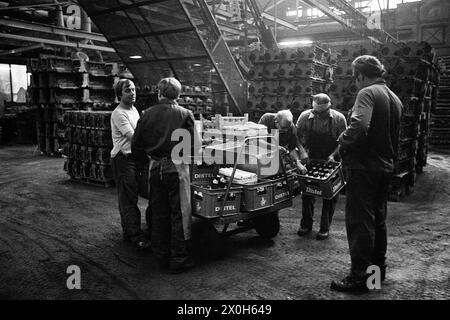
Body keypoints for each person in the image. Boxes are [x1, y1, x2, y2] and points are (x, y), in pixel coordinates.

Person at [331, 55, 403, 293]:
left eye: (356, 77)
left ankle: (360, 277)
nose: (356, 81)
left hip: (364, 168)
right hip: (384, 167)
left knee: (360, 222)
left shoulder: (367, 93)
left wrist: (343, 141)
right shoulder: (394, 98)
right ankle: (376, 274)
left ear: (360, 75)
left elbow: (361, 125)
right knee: (378, 221)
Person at [132, 77, 201, 274]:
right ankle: (179, 258)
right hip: (177, 168)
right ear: (178, 95)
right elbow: (195, 147)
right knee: (178, 213)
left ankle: (160, 256)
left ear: (159, 93)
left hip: (155, 168)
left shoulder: (146, 114)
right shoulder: (185, 114)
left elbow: (136, 144)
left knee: (159, 212)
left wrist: (148, 160)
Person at [295, 93, 347, 240]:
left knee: (329, 194)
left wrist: (333, 155)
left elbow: (343, 141)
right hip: (312, 157)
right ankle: (306, 224)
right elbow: (296, 137)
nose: (318, 115)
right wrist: (303, 151)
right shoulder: (305, 116)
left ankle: (325, 228)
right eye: (315, 112)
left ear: (328, 108)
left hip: (331, 159)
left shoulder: (338, 119)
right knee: (308, 191)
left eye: (321, 113)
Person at [110, 79, 151, 250]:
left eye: (133, 89)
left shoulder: (134, 110)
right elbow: (134, 137)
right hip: (123, 159)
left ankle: (131, 231)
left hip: (136, 158)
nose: (132, 93)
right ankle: (135, 235)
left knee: (141, 192)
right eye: (128, 90)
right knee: (128, 198)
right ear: (119, 94)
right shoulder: (119, 113)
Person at [258, 109, 308, 174]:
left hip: (278, 155)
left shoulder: (291, 128)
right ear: (276, 122)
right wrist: (274, 147)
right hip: (262, 153)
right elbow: (257, 140)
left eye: (288, 128)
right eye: (283, 128)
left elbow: (292, 148)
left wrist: (297, 162)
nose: (286, 130)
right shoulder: (266, 119)